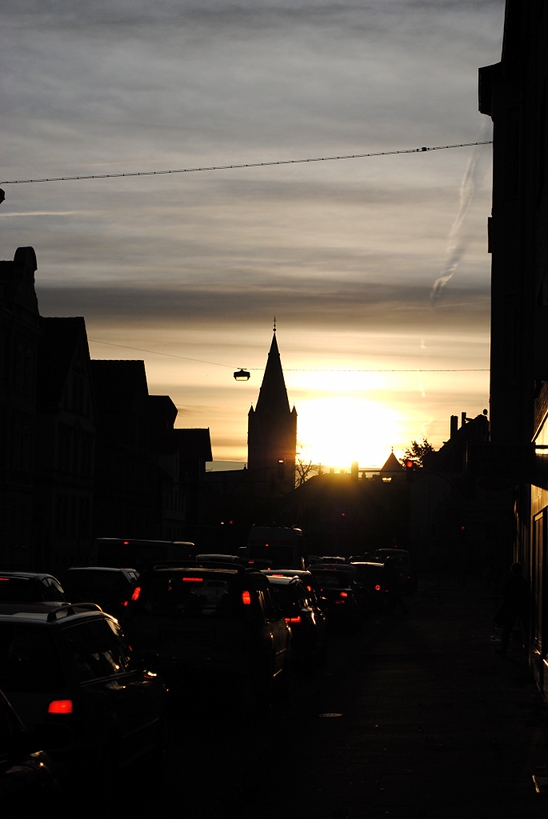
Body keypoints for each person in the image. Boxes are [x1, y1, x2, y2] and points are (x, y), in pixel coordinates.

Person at [495, 562, 529, 656]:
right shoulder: (524, 582)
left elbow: (505, 594)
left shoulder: (510, 581)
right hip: (522, 607)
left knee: (507, 629)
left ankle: (503, 650)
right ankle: (527, 647)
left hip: (512, 607)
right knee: (526, 628)